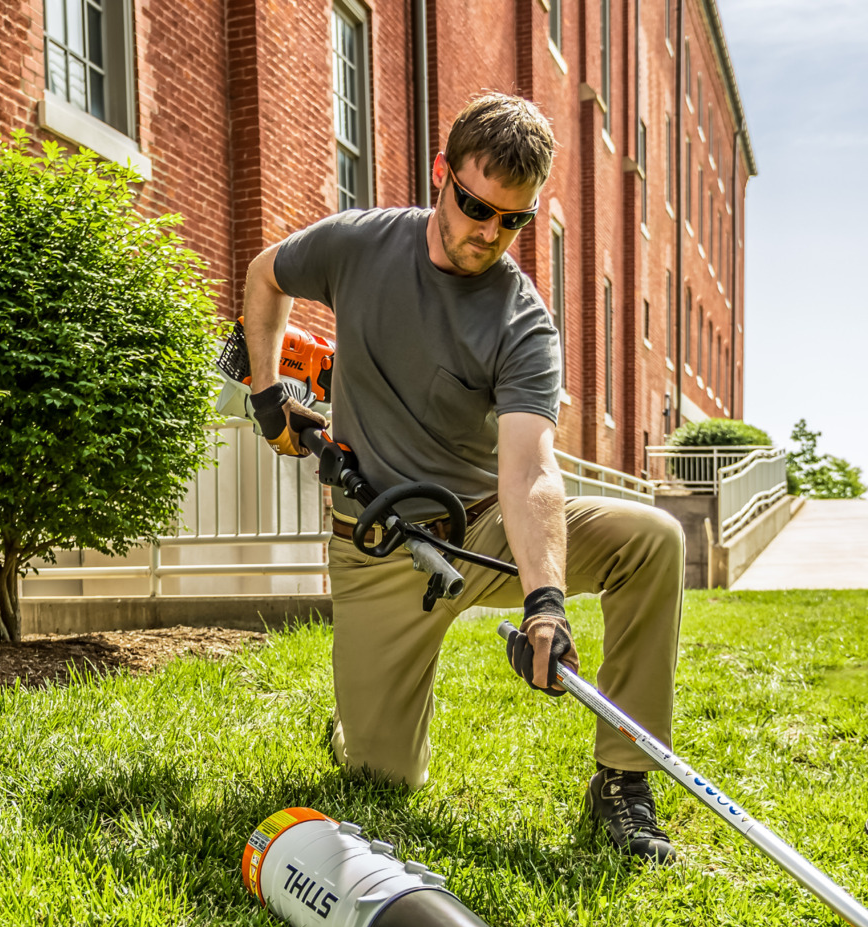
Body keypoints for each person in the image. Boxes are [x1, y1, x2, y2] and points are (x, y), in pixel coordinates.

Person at [240, 92, 686, 862]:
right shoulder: (359, 244)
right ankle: (358, 725)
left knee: (653, 539)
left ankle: (623, 778)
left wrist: (546, 602)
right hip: (376, 545)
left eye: (512, 220)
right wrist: (265, 393)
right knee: (381, 779)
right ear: (442, 173)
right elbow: (263, 275)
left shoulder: (522, 321)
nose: (488, 232)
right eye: (475, 206)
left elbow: (531, 468)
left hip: (482, 530)